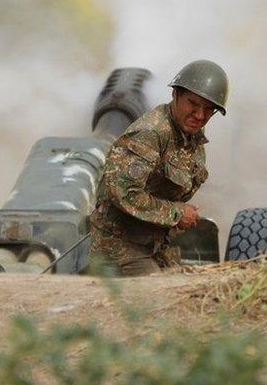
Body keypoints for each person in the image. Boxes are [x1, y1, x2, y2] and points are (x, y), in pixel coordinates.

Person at [88, 60, 228, 276]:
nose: (200, 115)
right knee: (162, 297)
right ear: (176, 95)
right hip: (120, 248)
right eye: (193, 104)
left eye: (209, 109)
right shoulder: (151, 133)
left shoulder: (191, 139)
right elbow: (124, 192)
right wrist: (177, 212)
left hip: (156, 243)